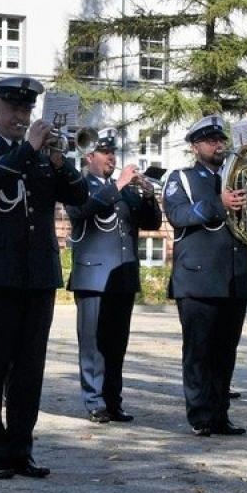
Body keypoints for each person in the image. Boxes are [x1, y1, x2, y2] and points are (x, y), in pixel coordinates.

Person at [0, 77, 87, 478]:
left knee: (30, 368)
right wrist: (28, 148)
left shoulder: (43, 156)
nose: (20, 116)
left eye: (27, 110)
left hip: (38, 274)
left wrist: (61, 162)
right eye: (13, 108)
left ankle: (20, 448)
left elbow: (79, 197)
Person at [163, 116, 247, 437]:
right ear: (195, 147)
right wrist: (218, 203)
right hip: (197, 279)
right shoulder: (182, 178)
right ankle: (200, 416)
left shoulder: (241, 178)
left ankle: (220, 414)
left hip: (232, 278)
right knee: (199, 352)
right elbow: (178, 215)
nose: (218, 145)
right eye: (210, 141)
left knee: (225, 354)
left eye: (221, 140)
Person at [63, 128, 161, 423]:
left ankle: (113, 401)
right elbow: (80, 211)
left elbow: (152, 223)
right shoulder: (78, 184)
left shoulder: (126, 189)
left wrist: (148, 195)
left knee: (117, 345)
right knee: (93, 344)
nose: (111, 158)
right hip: (92, 277)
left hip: (122, 276)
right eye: (105, 153)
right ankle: (94, 401)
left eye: (113, 153)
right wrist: (118, 184)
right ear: (89, 156)